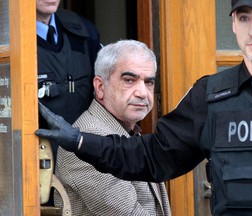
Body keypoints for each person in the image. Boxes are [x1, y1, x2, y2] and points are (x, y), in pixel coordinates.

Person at [36, 0, 252, 215]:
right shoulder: (210, 95)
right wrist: (80, 142)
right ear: (233, 24)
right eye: (244, 18)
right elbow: (153, 156)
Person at [54, 40, 171, 216]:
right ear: (100, 87)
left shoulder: (128, 132)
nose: (142, 92)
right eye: (129, 80)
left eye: (149, 82)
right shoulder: (87, 138)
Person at [37, 0, 102, 126]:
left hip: (85, 140)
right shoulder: (8, 36)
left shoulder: (84, 29)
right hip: (34, 143)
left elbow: (107, 89)